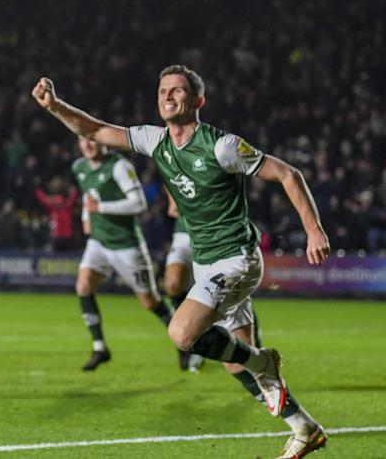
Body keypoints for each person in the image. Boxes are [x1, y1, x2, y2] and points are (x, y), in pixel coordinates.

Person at [32, 65, 329, 458]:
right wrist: (55, 106)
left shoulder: (222, 146)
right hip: (207, 263)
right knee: (233, 363)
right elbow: (95, 130)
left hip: (236, 259)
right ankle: (303, 427)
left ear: (198, 102)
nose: (167, 97)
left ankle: (264, 362)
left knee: (183, 335)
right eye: (162, 91)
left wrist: (314, 230)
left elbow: (288, 174)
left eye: (177, 91)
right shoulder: (155, 140)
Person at [69, 137, 174, 371]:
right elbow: (89, 196)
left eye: (91, 140)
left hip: (126, 245)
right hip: (98, 241)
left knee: (150, 301)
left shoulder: (119, 166)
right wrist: (87, 218)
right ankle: (99, 348)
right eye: (82, 140)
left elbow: (138, 204)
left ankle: (184, 342)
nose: (86, 145)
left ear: (101, 141)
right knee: (83, 286)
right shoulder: (80, 167)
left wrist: (101, 208)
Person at [163, 195, 205, 372]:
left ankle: (252, 341)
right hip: (181, 234)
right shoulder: (173, 167)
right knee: (172, 284)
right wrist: (173, 199)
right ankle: (187, 342)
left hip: (207, 235)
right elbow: (172, 207)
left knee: (211, 296)